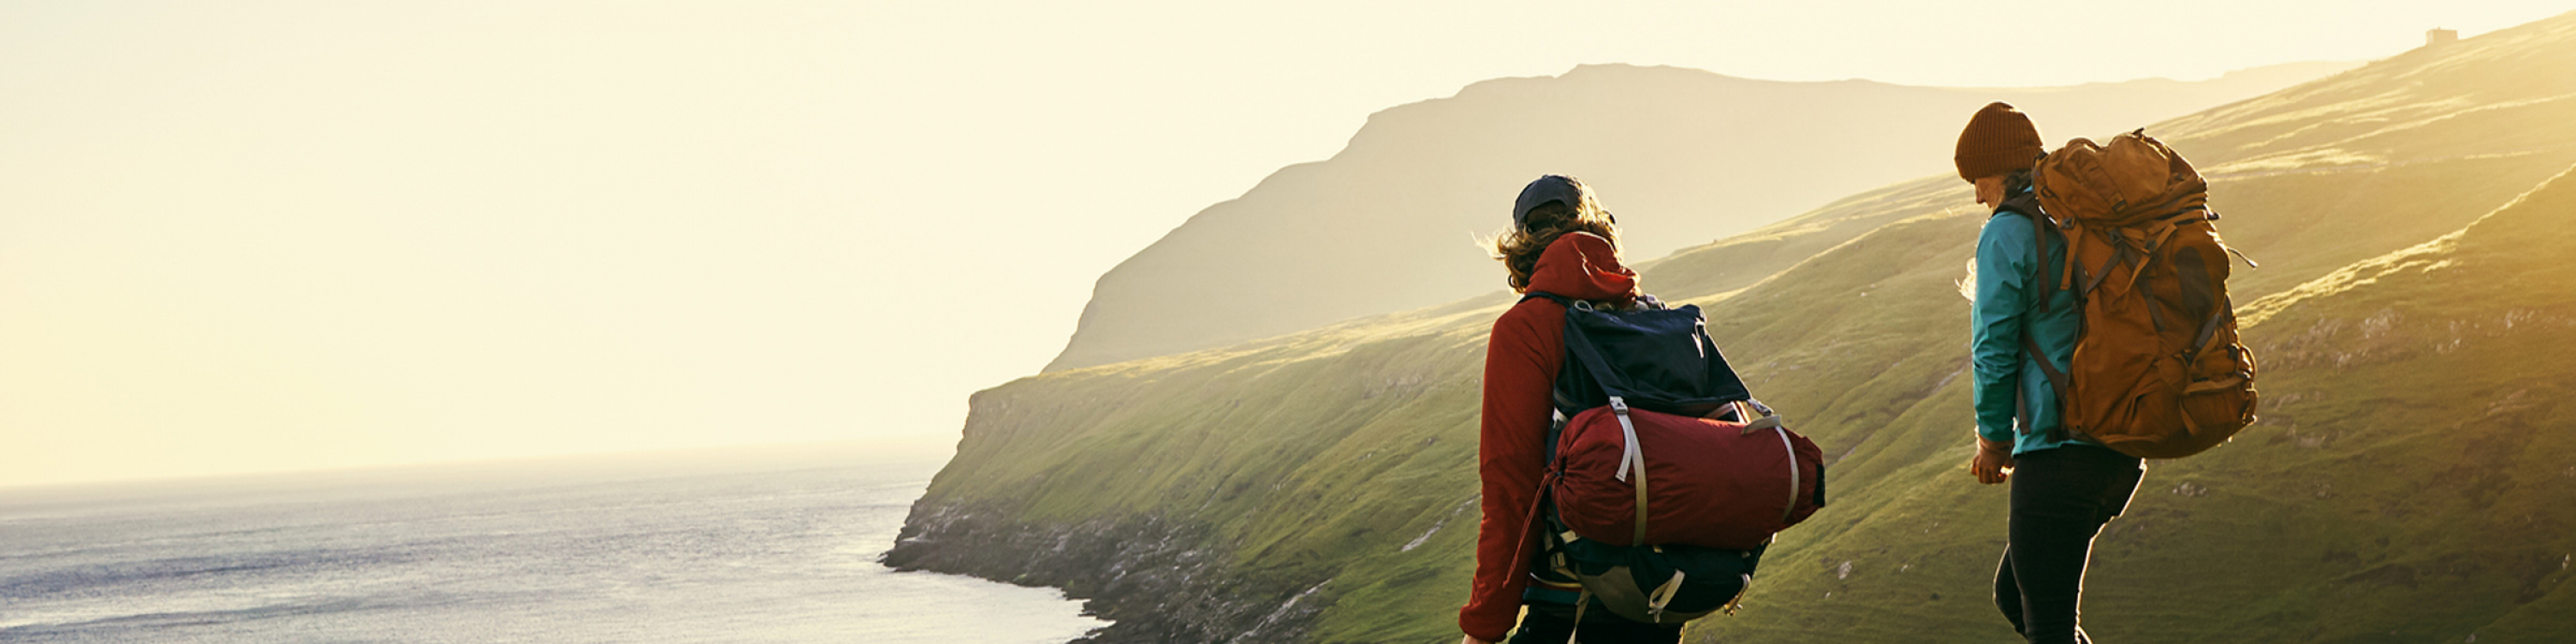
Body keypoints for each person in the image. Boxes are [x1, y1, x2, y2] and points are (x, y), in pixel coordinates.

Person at [1458, 175, 1680, 644]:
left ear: (1520, 247)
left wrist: (1485, 626)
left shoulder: (1526, 329)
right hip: (1662, 588)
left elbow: (1510, 488)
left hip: (1570, 600)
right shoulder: (1650, 316)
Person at [1958, 102, 2147, 644]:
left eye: (1979, 179)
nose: (1977, 194)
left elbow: (1993, 350)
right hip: (2117, 446)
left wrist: (1993, 443)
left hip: (2060, 449)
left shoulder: (2007, 233)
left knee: (2048, 628)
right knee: (2015, 596)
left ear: (2002, 171)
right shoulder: (2080, 220)